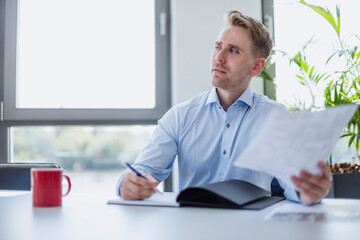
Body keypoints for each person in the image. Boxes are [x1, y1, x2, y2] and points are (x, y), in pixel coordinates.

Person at [116, 10, 332, 205]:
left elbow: (294, 184)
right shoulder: (180, 116)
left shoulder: (275, 118)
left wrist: (308, 192)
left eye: (233, 51)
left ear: (256, 66)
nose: (219, 58)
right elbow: (144, 170)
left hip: (253, 230)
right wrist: (130, 184)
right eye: (218, 47)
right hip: (191, 229)